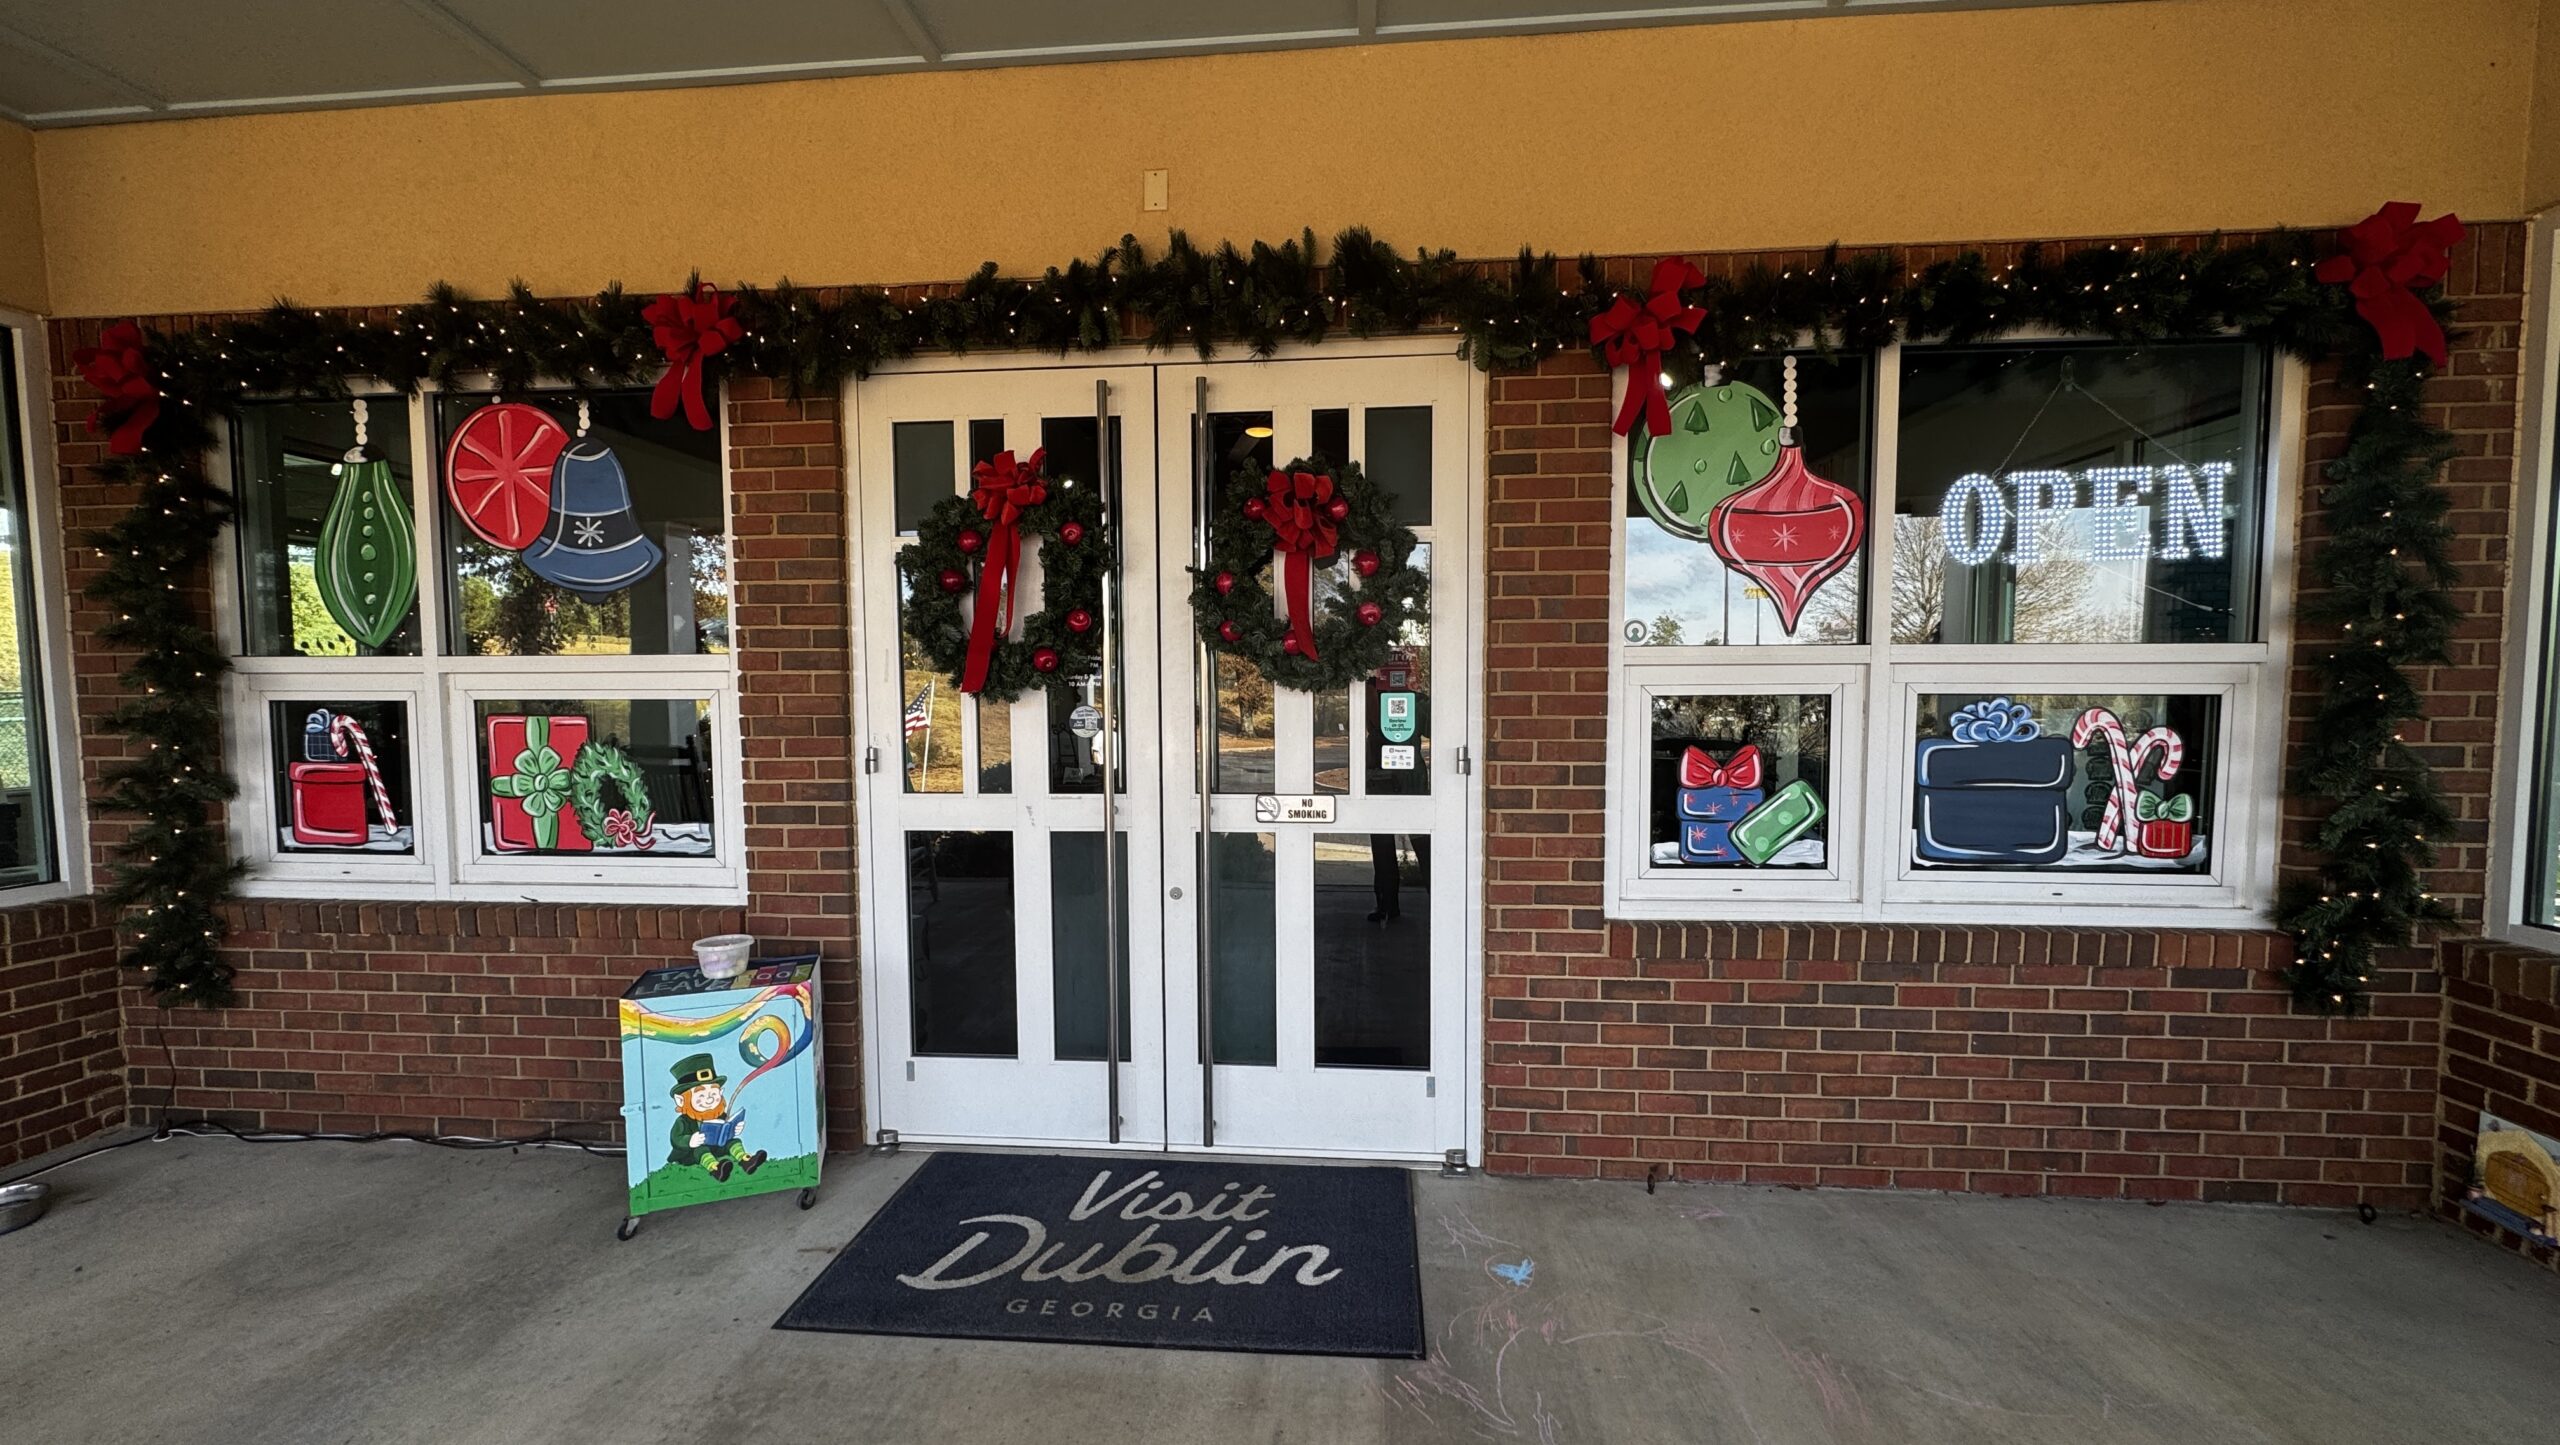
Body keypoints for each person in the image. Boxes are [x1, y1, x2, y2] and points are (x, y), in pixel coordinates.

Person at [666, 1052, 765, 1181]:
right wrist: (690, 1141)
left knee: (733, 1142)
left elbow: (724, 1128)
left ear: (721, 1092)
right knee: (699, 1149)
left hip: (717, 1147)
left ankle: (746, 1160)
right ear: (680, 1100)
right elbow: (676, 1139)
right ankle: (715, 1169)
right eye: (701, 1096)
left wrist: (733, 1130)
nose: (709, 1100)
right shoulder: (683, 1121)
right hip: (689, 1155)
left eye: (713, 1094)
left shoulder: (719, 1115)